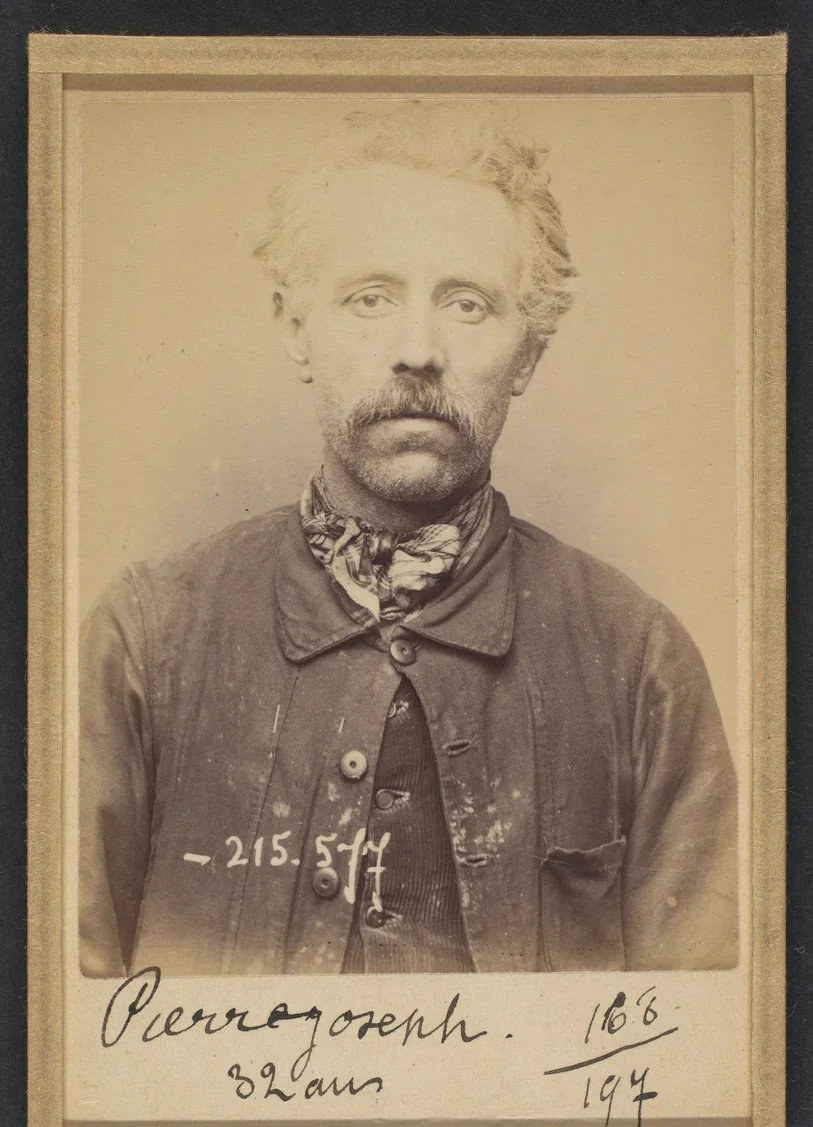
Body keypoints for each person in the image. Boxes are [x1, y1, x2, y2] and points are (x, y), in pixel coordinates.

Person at [79, 101, 738, 978]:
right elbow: (57, 1039)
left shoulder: (638, 656)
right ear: (293, 328)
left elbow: (701, 1054)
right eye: (368, 298)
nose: (417, 349)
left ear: (529, 354)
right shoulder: (144, 635)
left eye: (467, 304)